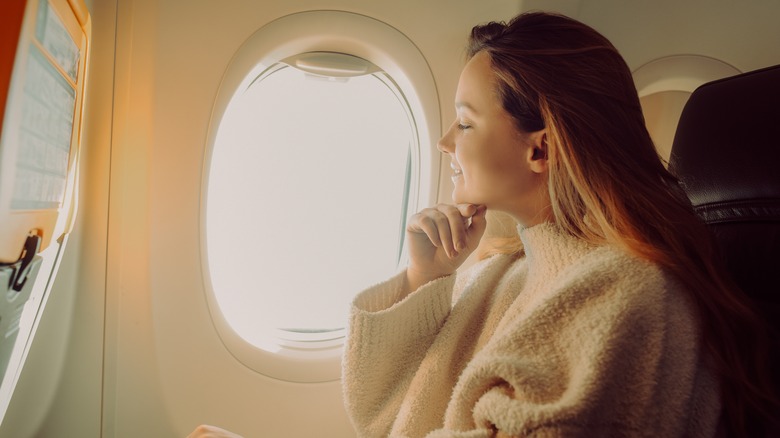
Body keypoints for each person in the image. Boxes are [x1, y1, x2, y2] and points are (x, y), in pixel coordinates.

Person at [191, 11, 776, 438]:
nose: (446, 142)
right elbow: (385, 413)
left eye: (466, 123)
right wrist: (427, 277)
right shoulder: (507, 269)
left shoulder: (626, 292)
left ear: (540, 150)